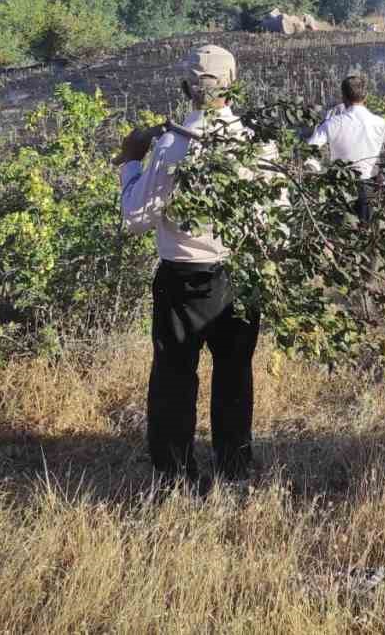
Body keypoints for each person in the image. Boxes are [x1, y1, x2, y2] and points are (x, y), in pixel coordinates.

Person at [117, 45, 264, 488]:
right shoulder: (256, 143)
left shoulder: (171, 146)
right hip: (240, 275)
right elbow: (274, 225)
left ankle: (177, 477)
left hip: (181, 279)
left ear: (185, 87)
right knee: (234, 374)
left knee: (174, 378)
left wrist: (129, 162)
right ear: (234, 84)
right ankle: (234, 469)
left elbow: (136, 218)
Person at [306, 75, 385, 222]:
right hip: (369, 188)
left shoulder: (331, 124)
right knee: (366, 235)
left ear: (344, 97)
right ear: (365, 95)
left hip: (339, 186)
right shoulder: (380, 123)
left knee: (339, 234)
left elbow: (308, 152)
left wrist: (316, 173)